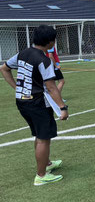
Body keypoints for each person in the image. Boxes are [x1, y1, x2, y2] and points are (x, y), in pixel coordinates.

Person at [0, 25, 69, 186]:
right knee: (44, 137)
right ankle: (41, 175)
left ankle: (46, 163)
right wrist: (62, 108)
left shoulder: (23, 53)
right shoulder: (44, 61)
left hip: (22, 101)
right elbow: (51, 87)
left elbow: (4, 69)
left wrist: (17, 88)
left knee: (39, 134)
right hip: (37, 102)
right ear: (50, 42)